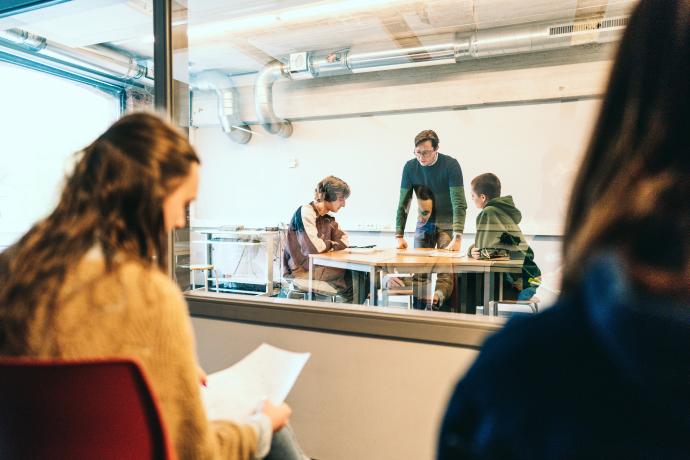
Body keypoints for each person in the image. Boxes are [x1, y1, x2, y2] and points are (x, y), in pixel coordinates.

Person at [437, 0, 690, 457]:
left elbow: (483, 257)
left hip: (510, 295)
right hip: (523, 285)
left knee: (448, 290)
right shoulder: (510, 212)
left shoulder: (524, 373)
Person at [0, 113, 306, 460]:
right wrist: (261, 427)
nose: (178, 221)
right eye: (183, 204)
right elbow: (195, 452)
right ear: (148, 196)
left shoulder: (11, 270)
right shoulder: (149, 294)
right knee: (272, 428)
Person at [467, 173, 541, 300]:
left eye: (473, 195)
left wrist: (471, 251)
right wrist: (473, 250)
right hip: (530, 277)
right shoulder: (501, 211)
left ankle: (457, 319)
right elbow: (492, 246)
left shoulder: (488, 212)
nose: (472, 199)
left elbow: (487, 253)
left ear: (482, 197)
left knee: (463, 281)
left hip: (514, 285)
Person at [394, 129, 467, 252]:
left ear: (436, 148)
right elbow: (404, 203)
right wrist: (399, 235)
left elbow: (459, 202)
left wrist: (458, 237)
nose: (421, 157)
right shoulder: (410, 167)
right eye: (418, 152)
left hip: (447, 223)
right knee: (419, 269)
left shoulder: (451, 165)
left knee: (446, 268)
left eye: (426, 153)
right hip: (424, 223)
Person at [283, 175, 352, 302]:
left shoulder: (328, 218)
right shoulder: (306, 212)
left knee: (358, 276)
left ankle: (348, 316)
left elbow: (345, 240)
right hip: (300, 271)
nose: (344, 204)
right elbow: (313, 248)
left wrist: (326, 245)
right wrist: (332, 244)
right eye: (341, 199)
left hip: (318, 267)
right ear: (328, 196)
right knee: (357, 277)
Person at [387, 185, 454, 309]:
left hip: (443, 226)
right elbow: (415, 275)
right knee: (419, 272)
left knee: (446, 269)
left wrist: (438, 295)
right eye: (418, 212)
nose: (419, 218)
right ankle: (418, 311)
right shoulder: (420, 226)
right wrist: (391, 278)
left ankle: (438, 305)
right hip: (425, 230)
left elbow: (445, 274)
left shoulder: (445, 234)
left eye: (425, 213)